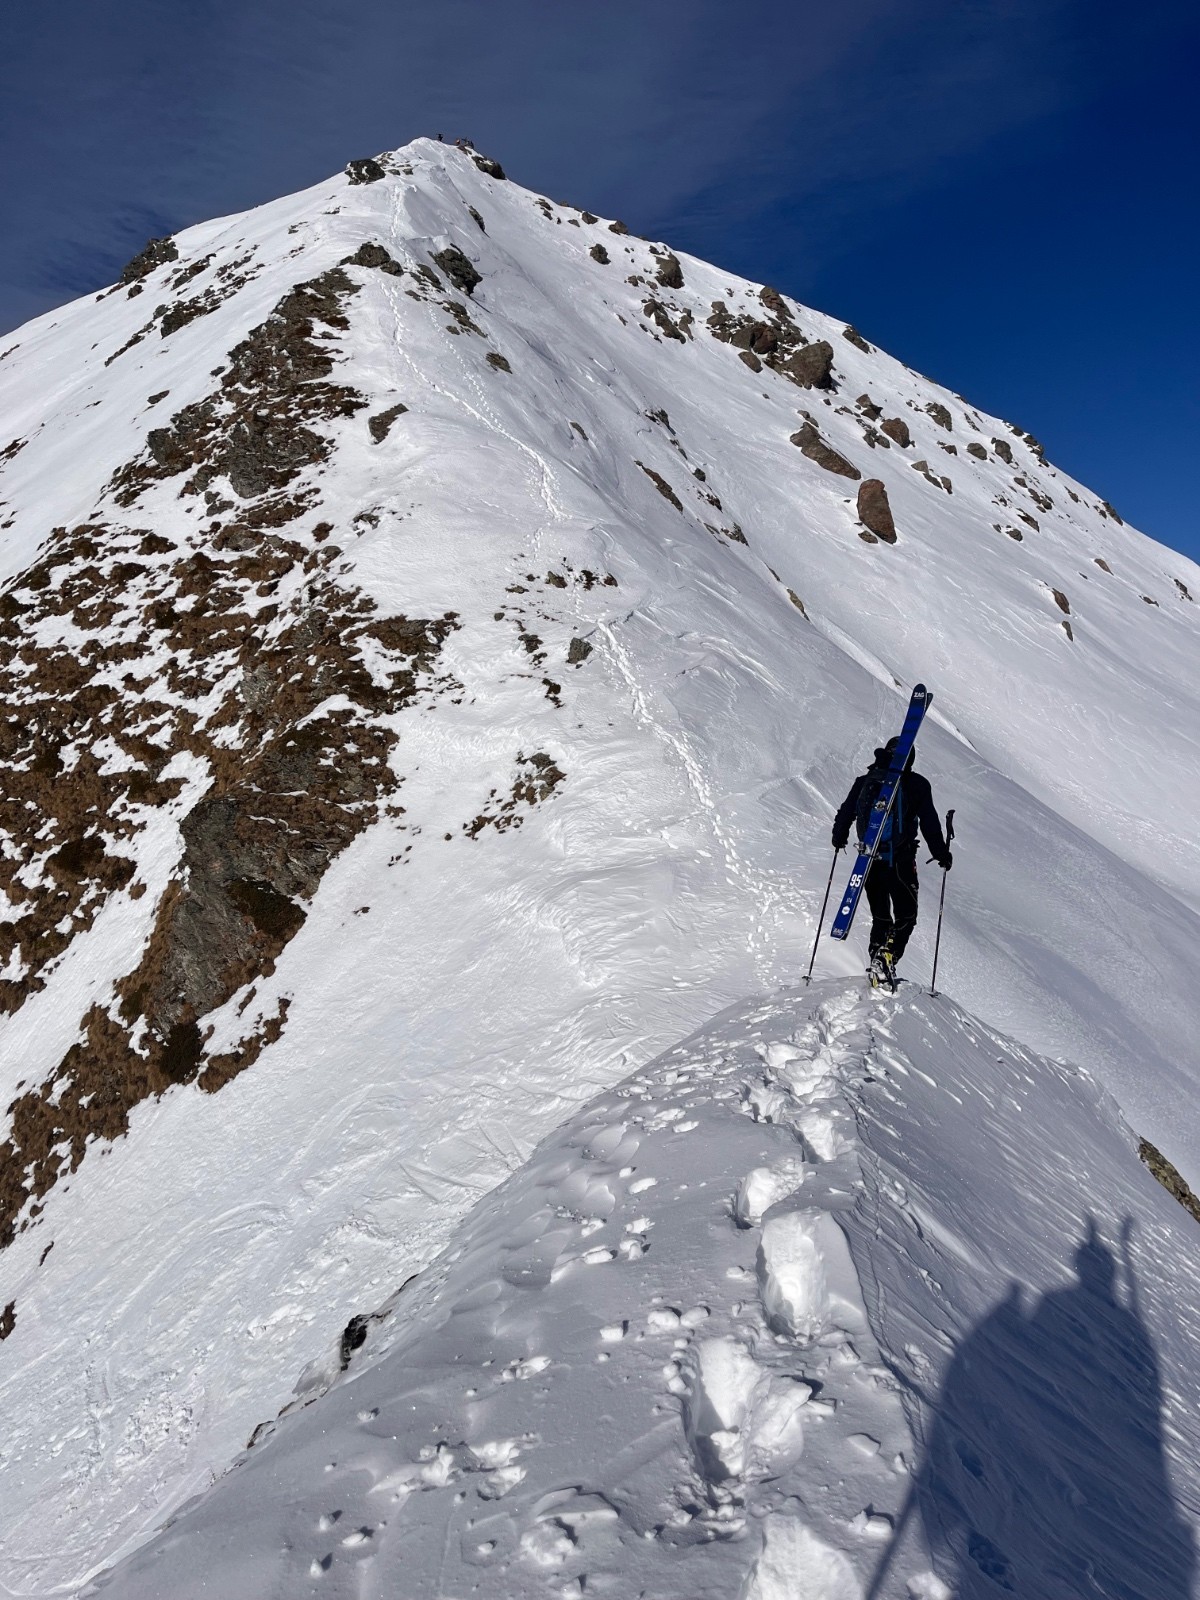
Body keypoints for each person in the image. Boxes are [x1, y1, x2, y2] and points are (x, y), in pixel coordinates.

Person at [831, 734, 951, 985]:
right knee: (906, 915)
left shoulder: (865, 781)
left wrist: (839, 838)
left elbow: (845, 813)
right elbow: (929, 822)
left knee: (881, 917)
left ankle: (877, 958)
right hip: (901, 861)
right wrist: (941, 854)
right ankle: (887, 957)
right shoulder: (916, 784)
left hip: (868, 862)